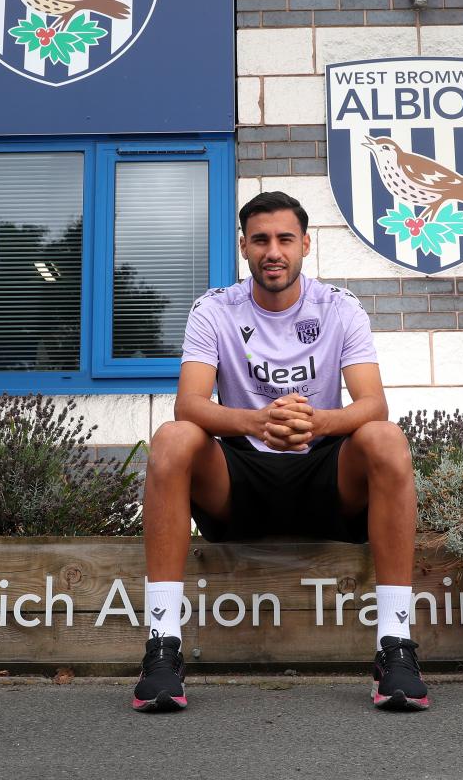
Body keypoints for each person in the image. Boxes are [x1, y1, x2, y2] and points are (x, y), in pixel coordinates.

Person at [132, 191, 428, 712]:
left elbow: (373, 403)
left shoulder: (340, 307)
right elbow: (189, 403)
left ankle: (395, 648)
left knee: (386, 438)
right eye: (261, 239)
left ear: (305, 245)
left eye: (285, 239)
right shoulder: (213, 309)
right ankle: (162, 649)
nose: (274, 251)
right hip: (241, 476)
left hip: (324, 477)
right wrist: (258, 422)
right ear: (243, 246)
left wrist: (316, 423)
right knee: (172, 438)